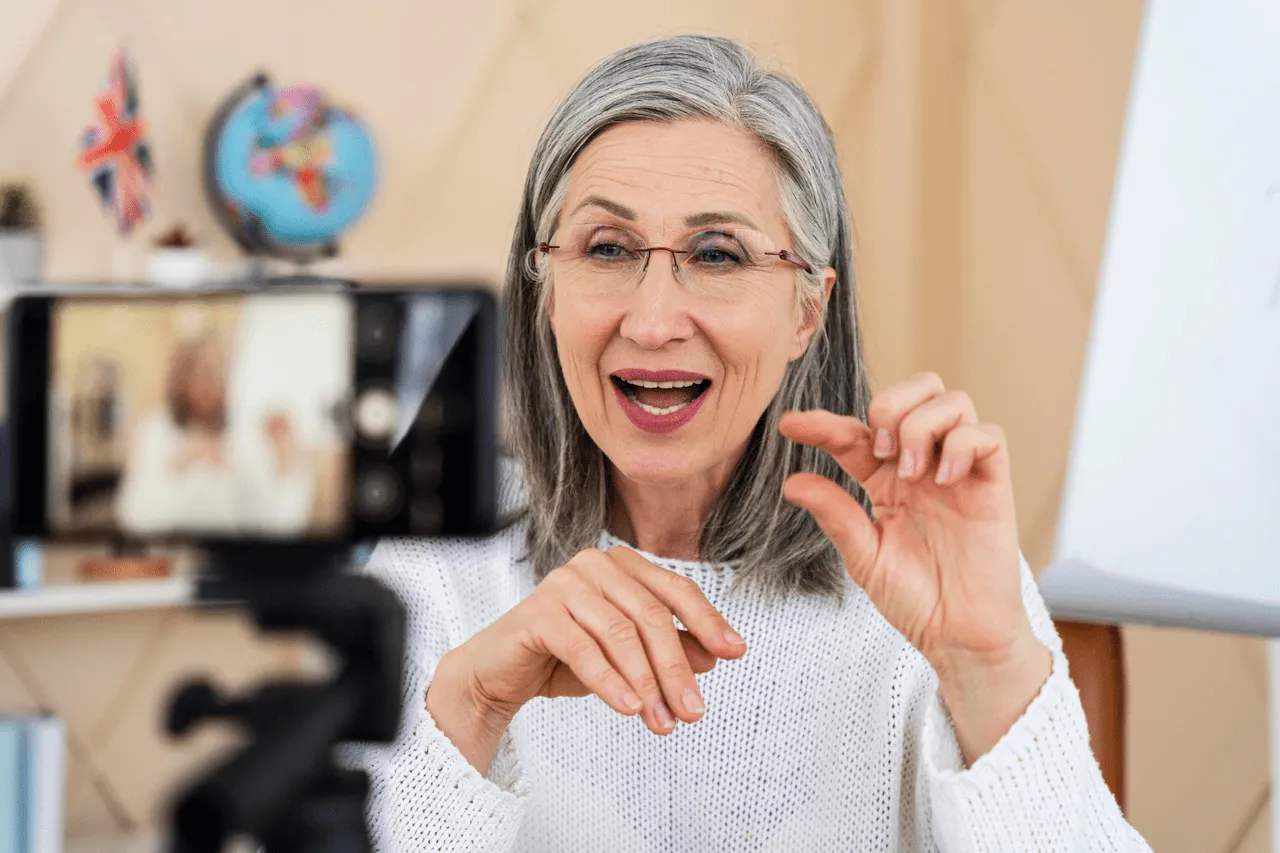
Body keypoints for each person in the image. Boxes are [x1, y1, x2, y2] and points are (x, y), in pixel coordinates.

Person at [347, 36, 1152, 851]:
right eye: (608, 249)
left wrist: (989, 666)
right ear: (545, 288)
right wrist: (472, 706)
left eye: (717, 254)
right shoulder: (438, 559)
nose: (653, 321)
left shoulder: (924, 571)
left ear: (808, 310)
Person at [115, 332, 316, 537]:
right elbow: (133, 517)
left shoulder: (244, 434)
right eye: (204, 375)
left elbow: (273, 521)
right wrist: (182, 462)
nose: (214, 385)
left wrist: (283, 461)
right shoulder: (156, 430)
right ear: (181, 380)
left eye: (219, 374)